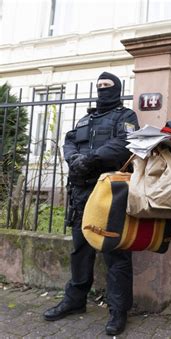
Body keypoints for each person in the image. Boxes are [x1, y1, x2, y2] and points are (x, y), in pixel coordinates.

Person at [43, 72, 139, 336]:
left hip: (110, 192)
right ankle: (75, 301)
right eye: (99, 86)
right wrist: (74, 158)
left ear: (117, 89)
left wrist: (92, 158)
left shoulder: (126, 117)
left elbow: (124, 144)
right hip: (81, 191)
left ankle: (119, 310)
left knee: (115, 252)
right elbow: (69, 141)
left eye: (108, 86)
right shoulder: (86, 118)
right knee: (80, 248)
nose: (102, 90)